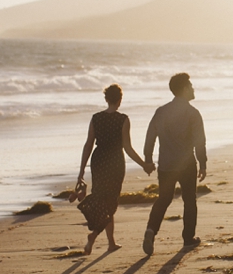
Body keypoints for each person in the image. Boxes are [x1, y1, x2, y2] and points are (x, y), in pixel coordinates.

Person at [74, 84, 154, 255]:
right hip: (115, 162)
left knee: (103, 200)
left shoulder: (96, 118)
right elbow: (127, 147)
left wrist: (81, 171)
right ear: (120, 100)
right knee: (110, 203)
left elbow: (88, 145)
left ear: (106, 99)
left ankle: (111, 243)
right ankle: (94, 236)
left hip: (98, 160)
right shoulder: (123, 119)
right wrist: (144, 165)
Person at [142, 73, 207, 255]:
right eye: (191, 86)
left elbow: (150, 137)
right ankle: (188, 238)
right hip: (186, 165)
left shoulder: (161, 111)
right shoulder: (193, 113)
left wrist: (148, 159)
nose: (193, 89)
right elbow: (199, 142)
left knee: (163, 199)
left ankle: (150, 230)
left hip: (166, 165)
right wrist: (203, 163)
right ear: (185, 89)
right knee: (189, 201)